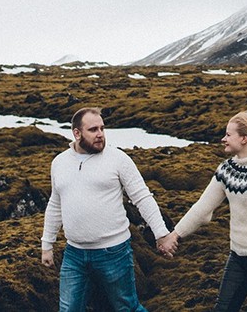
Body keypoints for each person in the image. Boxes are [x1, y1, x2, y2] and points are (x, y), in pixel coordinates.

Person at [41, 106, 176, 312]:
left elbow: (142, 197)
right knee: (68, 309)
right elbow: (55, 204)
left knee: (127, 307)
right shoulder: (59, 163)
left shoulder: (118, 159)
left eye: (102, 128)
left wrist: (161, 234)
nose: (100, 135)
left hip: (114, 252)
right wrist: (47, 244)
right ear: (77, 133)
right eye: (93, 130)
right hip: (74, 253)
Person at [159, 111, 247, 312]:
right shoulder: (226, 170)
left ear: (244, 139)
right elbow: (203, 207)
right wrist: (175, 234)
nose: (223, 139)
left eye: (228, 134)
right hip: (237, 257)